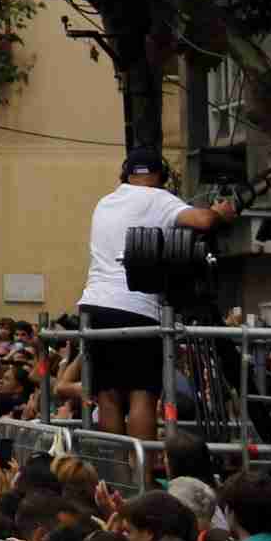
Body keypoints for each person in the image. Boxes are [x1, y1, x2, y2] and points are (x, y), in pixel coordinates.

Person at [78, 149, 233, 439]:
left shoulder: (105, 202)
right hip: (138, 307)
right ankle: (142, 478)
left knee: (107, 396)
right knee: (142, 395)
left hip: (95, 306)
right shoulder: (158, 198)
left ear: (125, 174)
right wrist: (221, 212)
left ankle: (117, 477)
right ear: (160, 176)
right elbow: (203, 221)